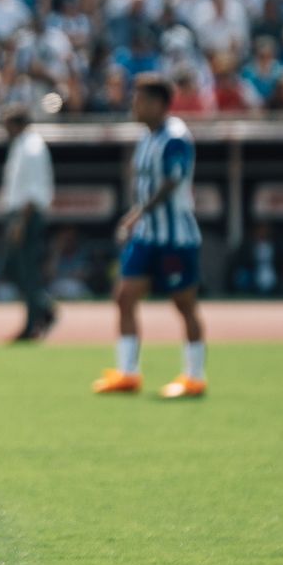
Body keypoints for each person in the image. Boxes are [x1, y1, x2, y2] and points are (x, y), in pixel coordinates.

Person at [95, 74, 207, 400]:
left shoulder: (175, 137)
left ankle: (195, 376)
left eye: (140, 99)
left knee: (184, 304)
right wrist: (137, 216)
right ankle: (128, 372)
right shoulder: (147, 137)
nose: (134, 105)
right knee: (124, 296)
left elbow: (173, 180)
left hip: (176, 238)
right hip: (147, 236)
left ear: (158, 104)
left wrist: (139, 213)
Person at [0, 105, 56, 341]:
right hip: (20, 214)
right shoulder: (22, 144)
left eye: (8, 126)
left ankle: (33, 322)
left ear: (17, 124)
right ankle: (44, 309)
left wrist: (21, 222)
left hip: (27, 216)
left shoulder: (31, 146)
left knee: (27, 270)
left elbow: (32, 192)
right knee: (13, 268)